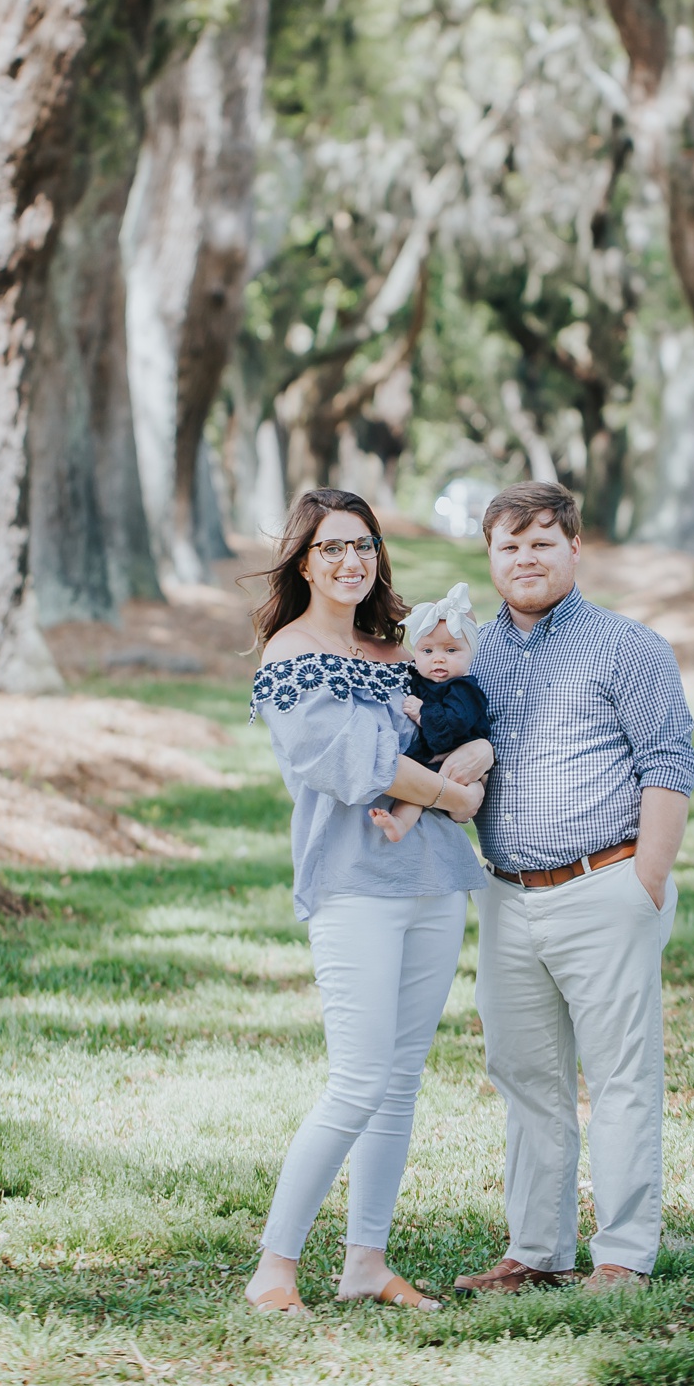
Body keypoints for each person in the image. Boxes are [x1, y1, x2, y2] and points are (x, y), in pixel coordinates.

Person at [243, 489, 493, 1317]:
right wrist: (453, 798)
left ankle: (364, 1262)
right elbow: (352, 762)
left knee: (398, 1083)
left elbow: (450, 728)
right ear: (303, 561)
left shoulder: (393, 648)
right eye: (331, 548)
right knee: (355, 1081)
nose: (351, 562)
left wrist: (467, 763)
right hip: (354, 885)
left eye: (364, 547)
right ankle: (275, 1270)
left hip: (429, 882)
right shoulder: (292, 655)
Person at [448, 481, 694, 1296]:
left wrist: (645, 884)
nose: (524, 558)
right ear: (489, 557)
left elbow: (669, 763)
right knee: (525, 1077)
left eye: (541, 542)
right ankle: (538, 1251)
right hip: (505, 896)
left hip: (606, 885)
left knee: (620, 1078)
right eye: (508, 545)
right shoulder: (470, 654)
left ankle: (622, 1256)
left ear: (573, 548)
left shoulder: (627, 648)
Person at [369, 583, 493, 845]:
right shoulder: (420, 679)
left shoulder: (464, 689)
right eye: (428, 651)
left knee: (456, 788)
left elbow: (456, 723)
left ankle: (449, 813)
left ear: (471, 653)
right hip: (430, 759)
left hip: (460, 756)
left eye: (451, 650)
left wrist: (423, 713)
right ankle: (399, 824)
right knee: (416, 788)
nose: (438, 659)